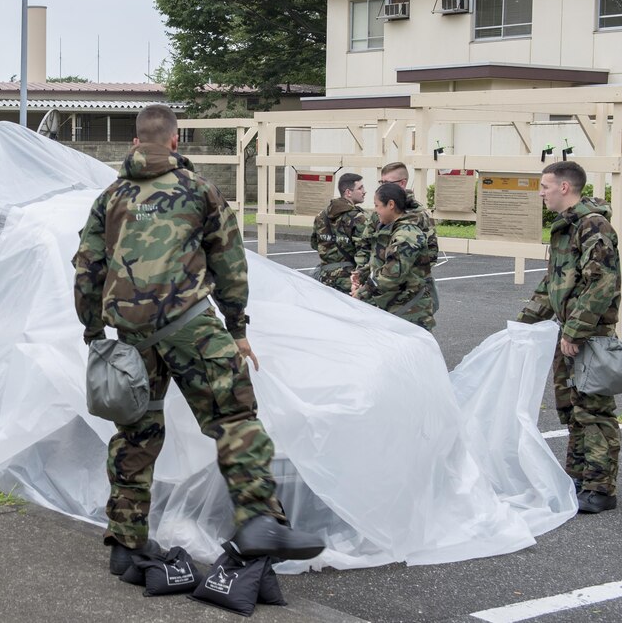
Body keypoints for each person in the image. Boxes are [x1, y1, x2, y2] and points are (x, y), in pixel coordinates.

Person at [72, 104, 324, 575]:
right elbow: (229, 263)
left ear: (134, 143)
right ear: (174, 140)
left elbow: (88, 268)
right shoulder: (198, 190)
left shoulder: (110, 197)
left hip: (130, 338)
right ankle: (258, 521)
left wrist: (93, 331)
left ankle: (126, 545)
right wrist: (238, 328)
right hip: (190, 326)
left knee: (136, 431)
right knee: (234, 416)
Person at [517, 161, 622, 514]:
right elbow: (554, 283)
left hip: (588, 335)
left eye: (545, 186)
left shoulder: (593, 226)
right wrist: (523, 325)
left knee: (593, 409)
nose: (541, 192)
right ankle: (576, 478)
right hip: (568, 332)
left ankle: (601, 487)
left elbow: (602, 282)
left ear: (564, 188)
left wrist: (576, 330)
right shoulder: (565, 227)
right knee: (571, 409)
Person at [352, 182, 438, 330]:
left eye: (377, 205)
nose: (375, 210)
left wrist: (361, 293)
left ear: (390, 204)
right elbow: (384, 260)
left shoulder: (407, 234)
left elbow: (392, 275)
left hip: (410, 314)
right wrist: (362, 273)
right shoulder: (391, 228)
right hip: (394, 309)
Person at [352, 162, 436, 292]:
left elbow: (430, 254)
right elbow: (365, 246)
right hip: (378, 289)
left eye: (387, 183)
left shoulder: (420, 215)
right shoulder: (378, 214)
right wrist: (360, 277)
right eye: (381, 182)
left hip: (406, 292)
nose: (383, 187)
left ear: (402, 183)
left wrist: (400, 276)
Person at [311, 172, 369, 293]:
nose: (364, 191)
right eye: (360, 188)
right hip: (349, 280)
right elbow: (365, 250)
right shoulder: (357, 217)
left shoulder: (321, 215)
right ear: (348, 192)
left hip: (324, 277)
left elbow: (314, 244)